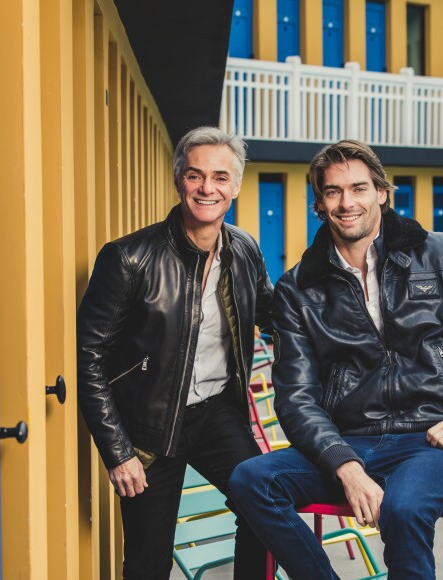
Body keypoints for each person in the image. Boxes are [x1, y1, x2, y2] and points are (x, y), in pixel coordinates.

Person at [227, 139, 443, 579]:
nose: (348, 203)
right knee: (251, 480)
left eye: (359, 188)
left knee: (402, 510)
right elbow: (295, 398)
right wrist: (345, 464)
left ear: (381, 192)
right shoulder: (298, 287)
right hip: (348, 440)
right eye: (333, 192)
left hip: (428, 441)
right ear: (320, 203)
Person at [77, 126, 273, 579]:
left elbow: (277, 317)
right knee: (148, 558)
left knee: (265, 504)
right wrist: (117, 450)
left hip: (218, 413)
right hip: (149, 425)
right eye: (195, 175)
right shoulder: (128, 258)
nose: (208, 188)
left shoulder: (243, 250)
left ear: (237, 186)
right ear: (178, 180)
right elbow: (88, 357)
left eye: (221, 177)